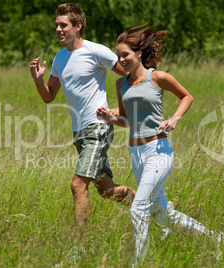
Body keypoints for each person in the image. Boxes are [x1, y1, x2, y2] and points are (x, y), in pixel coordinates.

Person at [97, 24, 224, 263]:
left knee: (138, 209)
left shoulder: (158, 77)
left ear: (138, 54)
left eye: (125, 54)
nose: (121, 59)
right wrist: (109, 118)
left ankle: (138, 263)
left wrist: (174, 118)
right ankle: (214, 238)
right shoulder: (120, 84)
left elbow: (187, 96)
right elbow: (126, 119)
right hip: (136, 152)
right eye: (118, 56)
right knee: (163, 215)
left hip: (158, 150)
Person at [30, 3, 136, 228]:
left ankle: (79, 251)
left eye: (63, 25)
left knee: (78, 185)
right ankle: (153, 207)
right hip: (79, 131)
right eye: (57, 25)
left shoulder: (96, 51)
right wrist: (38, 80)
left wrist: (120, 109)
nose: (58, 29)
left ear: (78, 26)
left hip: (98, 127)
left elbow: (130, 76)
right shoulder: (59, 58)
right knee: (107, 190)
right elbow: (49, 96)